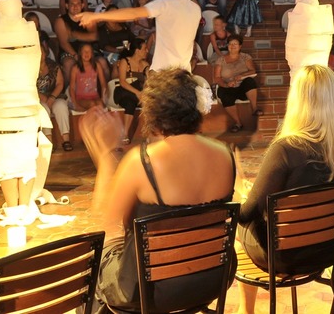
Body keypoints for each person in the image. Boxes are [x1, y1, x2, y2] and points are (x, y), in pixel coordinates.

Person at [83, 70, 234, 314]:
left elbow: (105, 220)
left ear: (153, 113)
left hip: (155, 290)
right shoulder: (225, 155)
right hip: (214, 278)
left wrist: (105, 156)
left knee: (95, 264)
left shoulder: (141, 162)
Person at [233, 65, 334, 314]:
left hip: (284, 256)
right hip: (330, 250)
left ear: (297, 101)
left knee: (240, 229)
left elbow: (247, 213)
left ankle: (245, 311)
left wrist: (239, 191)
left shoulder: (286, 148)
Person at [213, 35, 260, 133]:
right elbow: (217, 78)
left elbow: (252, 70)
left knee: (250, 81)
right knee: (224, 94)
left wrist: (242, 75)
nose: (232, 46)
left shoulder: (245, 57)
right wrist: (226, 85)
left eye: (235, 44)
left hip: (242, 87)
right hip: (228, 86)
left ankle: (254, 109)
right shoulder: (221, 60)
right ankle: (238, 123)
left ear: (240, 46)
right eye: (230, 44)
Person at [35, 42, 71, 151]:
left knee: (61, 106)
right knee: (44, 109)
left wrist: (52, 97)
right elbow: (28, 85)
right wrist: (42, 97)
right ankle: (48, 141)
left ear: (45, 53)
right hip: (37, 98)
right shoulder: (30, 68)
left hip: (54, 95)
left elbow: (60, 83)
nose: (40, 54)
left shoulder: (53, 66)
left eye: (41, 51)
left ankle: (66, 140)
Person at [54, 0, 99, 79]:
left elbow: (94, 37)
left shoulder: (89, 18)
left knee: (102, 62)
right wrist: (75, 55)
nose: (75, 6)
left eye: (78, 4)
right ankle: (68, 87)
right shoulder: (60, 21)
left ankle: (104, 87)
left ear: (82, 5)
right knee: (69, 64)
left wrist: (74, 35)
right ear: (67, 6)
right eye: (72, 4)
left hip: (88, 50)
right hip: (69, 53)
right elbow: (64, 43)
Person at [69, 43, 107, 112]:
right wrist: (75, 104)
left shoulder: (97, 65)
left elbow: (103, 83)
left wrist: (103, 98)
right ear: (80, 53)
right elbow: (72, 88)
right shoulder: (75, 68)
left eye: (89, 51)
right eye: (84, 51)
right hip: (81, 99)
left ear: (92, 53)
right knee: (92, 104)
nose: (86, 53)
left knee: (100, 105)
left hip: (95, 97)